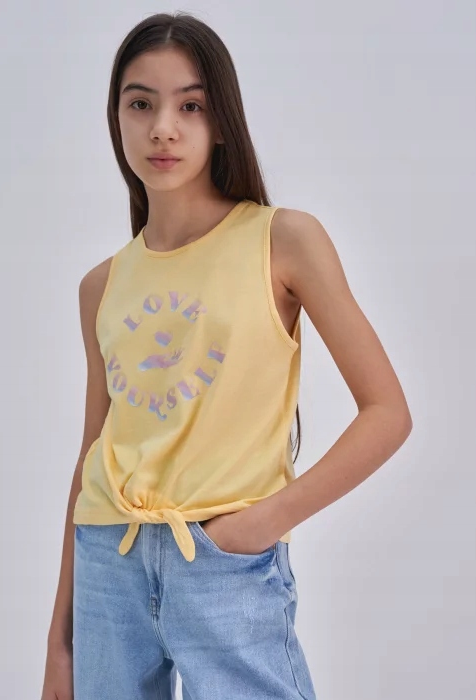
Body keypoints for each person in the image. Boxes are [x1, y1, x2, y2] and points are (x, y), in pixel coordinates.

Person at [41, 11, 412, 700]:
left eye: (191, 105)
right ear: (116, 118)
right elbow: (92, 449)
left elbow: (387, 412)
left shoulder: (283, 241)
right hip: (107, 562)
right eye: (141, 104)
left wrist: (263, 523)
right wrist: (58, 645)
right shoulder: (102, 285)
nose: (163, 128)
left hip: (223, 561)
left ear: (221, 122)